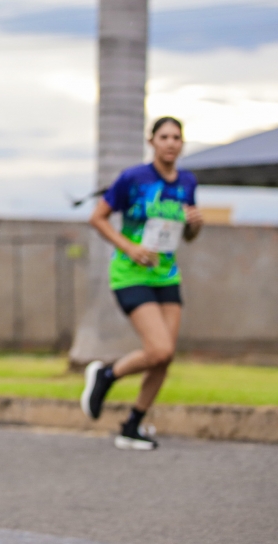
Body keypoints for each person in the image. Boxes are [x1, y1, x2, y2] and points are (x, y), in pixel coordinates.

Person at [81, 117, 203, 451]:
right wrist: (130, 248)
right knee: (158, 349)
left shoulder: (188, 182)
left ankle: (132, 426)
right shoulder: (133, 178)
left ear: (182, 143)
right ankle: (107, 375)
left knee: (165, 358)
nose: (171, 143)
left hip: (166, 275)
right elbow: (97, 218)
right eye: (164, 136)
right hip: (130, 274)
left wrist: (195, 224)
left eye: (176, 137)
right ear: (152, 141)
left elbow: (188, 236)